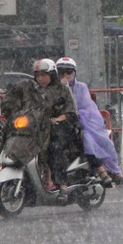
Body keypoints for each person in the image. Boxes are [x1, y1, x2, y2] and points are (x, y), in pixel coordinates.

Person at [55, 56, 123, 187]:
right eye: (61, 71)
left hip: (83, 123)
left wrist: (73, 115)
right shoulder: (54, 89)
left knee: (92, 139)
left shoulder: (81, 87)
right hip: (60, 124)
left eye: (68, 71)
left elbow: (85, 107)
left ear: (74, 73)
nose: (65, 75)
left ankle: (110, 171)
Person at [32, 58, 83, 195]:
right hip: (40, 129)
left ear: (52, 75)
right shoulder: (33, 92)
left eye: (44, 75)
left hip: (62, 128)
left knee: (55, 147)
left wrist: (56, 119)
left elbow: (72, 112)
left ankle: (62, 184)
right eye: (38, 76)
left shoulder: (62, 90)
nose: (41, 79)